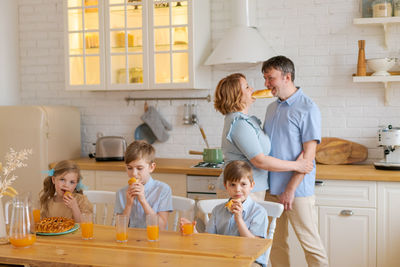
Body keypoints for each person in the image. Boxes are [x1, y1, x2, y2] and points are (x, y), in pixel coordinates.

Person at [262, 55, 329, 267]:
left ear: (287, 77)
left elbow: (308, 153)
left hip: (297, 191)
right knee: (275, 244)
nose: (266, 83)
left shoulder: (307, 108)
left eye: (270, 78)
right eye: (265, 78)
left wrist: (290, 189)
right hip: (271, 190)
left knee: (311, 245)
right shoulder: (271, 108)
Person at [214, 73, 314, 202]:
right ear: (236, 95)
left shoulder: (246, 121)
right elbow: (260, 161)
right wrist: (297, 165)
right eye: (247, 87)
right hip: (239, 190)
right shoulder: (239, 124)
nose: (252, 90)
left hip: (249, 189)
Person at [180, 160, 268, 267]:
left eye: (243, 184)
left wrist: (239, 220)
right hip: (223, 259)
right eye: (232, 184)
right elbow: (209, 239)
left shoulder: (258, 212)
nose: (237, 189)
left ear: (252, 185)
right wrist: (194, 233)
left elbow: (254, 246)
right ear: (226, 186)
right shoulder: (218, 210)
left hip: (250, 261)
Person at [114, 140, 172, 230]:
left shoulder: (163, 190)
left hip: (154, 240)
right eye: (129, 168)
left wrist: (143, 200)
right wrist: (129, 205)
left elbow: (162, 227)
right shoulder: (121, 193)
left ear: (151, 167)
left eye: (139, 168)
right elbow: (119, 229)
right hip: (130, 241)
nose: (134, 173)